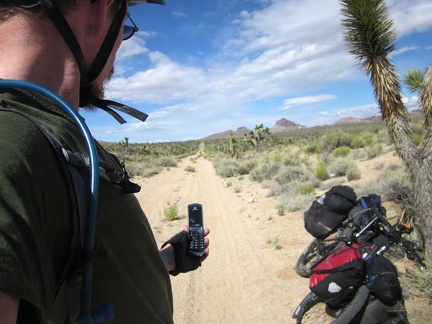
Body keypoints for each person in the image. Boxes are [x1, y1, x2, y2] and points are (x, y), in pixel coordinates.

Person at [0, 0, 210, 323]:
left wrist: (167, 258)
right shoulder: (10, 147)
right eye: (124, 29)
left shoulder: (51, 134)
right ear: (100, 10)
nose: (118, 52)